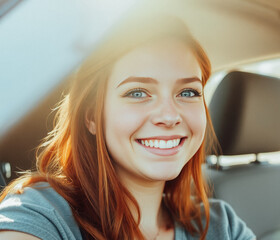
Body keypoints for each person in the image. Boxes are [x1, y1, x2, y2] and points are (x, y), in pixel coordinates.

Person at [0, 12, 256, 240]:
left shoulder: (221, 226)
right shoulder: (40, 214)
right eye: (137, 92)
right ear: (91, 116)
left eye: (188, 92)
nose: (169, 116)